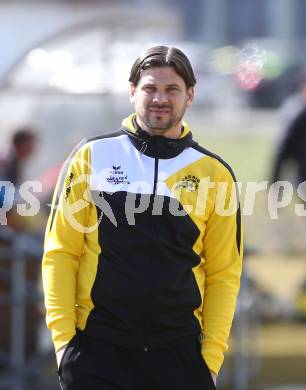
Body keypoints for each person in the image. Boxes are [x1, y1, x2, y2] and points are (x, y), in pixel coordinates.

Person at [42, 46, 243, 390]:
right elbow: (60, 253)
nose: (159, 99)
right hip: (97, 353)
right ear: (132, 91)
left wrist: (210, 360)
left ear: (190, 95)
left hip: (180, 356)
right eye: (150, 88)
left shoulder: (216, 174)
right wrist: (64, 345)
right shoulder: (91, 156)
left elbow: (224, 274)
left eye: (172, 90)